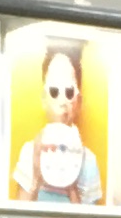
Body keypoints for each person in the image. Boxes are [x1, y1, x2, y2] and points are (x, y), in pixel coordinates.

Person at [15, 41, 104, 203]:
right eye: (54, 91)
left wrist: (72, 187)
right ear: (44, 99)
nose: (62, 102)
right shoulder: (30, 152)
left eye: (69, 92)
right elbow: (19, 215)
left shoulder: (88, 162)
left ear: (78, 102)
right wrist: (36, 176)